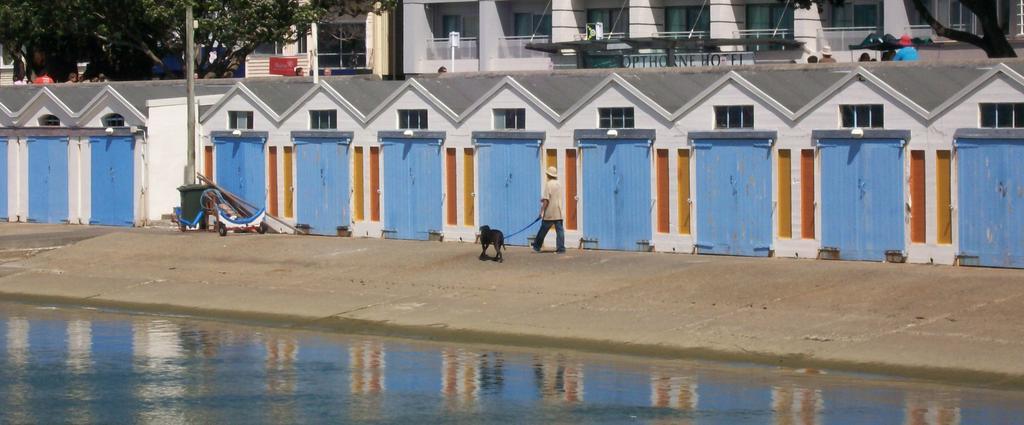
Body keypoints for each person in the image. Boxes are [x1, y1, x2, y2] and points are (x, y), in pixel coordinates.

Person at [532, 166, 565, 254]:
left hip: (550, 211)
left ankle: (536, 246)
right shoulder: (559, 184)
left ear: (549, 175)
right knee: (560, 231)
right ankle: (561, 248)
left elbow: (546, 200)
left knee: (543, 229)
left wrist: (541, 211)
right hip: (559, 211)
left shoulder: (548, 184)